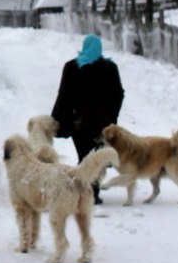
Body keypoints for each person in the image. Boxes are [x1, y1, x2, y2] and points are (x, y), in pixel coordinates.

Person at [51, 34, 124, 204]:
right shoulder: (110, 68)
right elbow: (118, 95)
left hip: (78, 123)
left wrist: (57, 118)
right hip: (102, 125)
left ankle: (83, 191)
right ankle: (92, 192)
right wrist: (112, 117)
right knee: (97, 159)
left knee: (84, 156)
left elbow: (64, 94)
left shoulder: (71, 67)